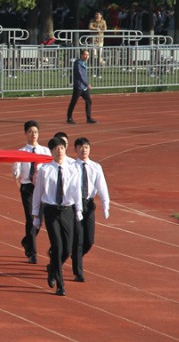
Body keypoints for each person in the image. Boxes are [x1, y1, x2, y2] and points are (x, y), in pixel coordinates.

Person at [32, 137, 84, 296]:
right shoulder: (45, 170)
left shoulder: (73, 169)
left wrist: (78, 210)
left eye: (61, 148)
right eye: (56, 149)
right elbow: (38, 193)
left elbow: (76, 191)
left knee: (67, 249)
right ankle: (60, 285)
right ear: (51, 152)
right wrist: (36, 215)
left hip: (67, 210)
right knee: (57, 246)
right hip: (51, 211)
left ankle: (52, 268)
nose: (59, 151)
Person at [71, 137, 111, 282]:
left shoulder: (96, 167)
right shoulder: (72, 166)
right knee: (78, 239)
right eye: (81, 147)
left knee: (89, 240)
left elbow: (102, 187)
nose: (84, 150)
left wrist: (106, 205)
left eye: (86, 147)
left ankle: (75, 257)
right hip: (75, 205)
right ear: (75, 149)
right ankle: (78, 272)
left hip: (88, 205)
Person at [11, 120, 51, 264]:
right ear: (25, 133)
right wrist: (16, 173)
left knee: (39, 221)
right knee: (31, 219)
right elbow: (15, 171)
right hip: (27, 188)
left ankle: (27, 240)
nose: (33, 134)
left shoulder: (45, 151)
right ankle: (32, 253)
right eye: (30, 132)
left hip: (41, 188)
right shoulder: (21, 152)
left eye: (35, 132)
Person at [67, 49, 97, 124]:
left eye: (88, 55)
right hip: (78, 86)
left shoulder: (84, 63)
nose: (87, 56)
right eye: (85, 55)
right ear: (81, 55)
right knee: (74, 102)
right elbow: (80, 75)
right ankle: (69, 118)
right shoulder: (78, 63)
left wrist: (85, 85)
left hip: (84, 87)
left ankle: (89, 118)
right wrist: (87, 84)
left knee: (88, 100)